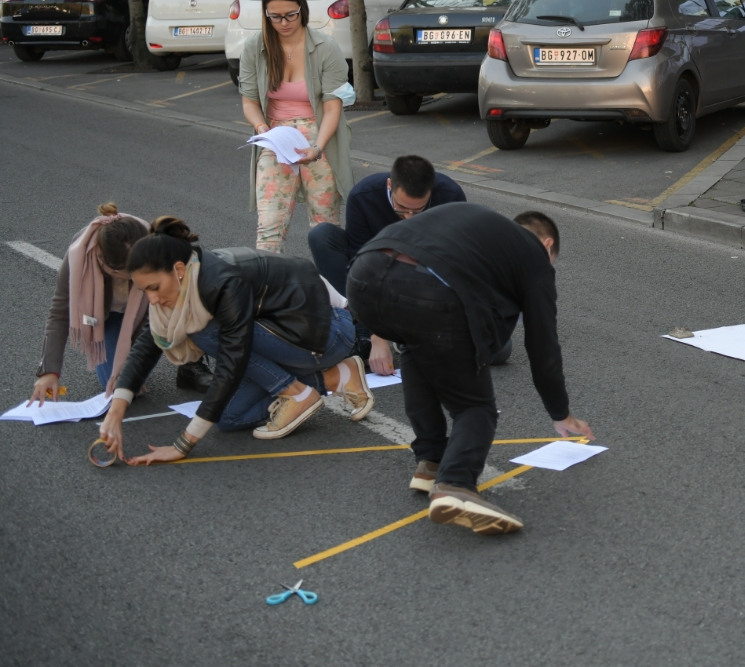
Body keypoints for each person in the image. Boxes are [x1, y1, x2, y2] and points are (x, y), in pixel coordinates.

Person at [346, 204, 591, 535]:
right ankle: (455, 483)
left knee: (416, 349)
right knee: (475, 406)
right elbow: (542, 344)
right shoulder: (533, 255)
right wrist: (561, 412)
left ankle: (431, 461)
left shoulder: (476, 231)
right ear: (547, 244)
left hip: (363, 277)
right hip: (424, 287)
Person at [97, 217, 377, 462]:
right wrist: (116, 412)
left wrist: (183, 445)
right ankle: (337, 377)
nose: (152, 299)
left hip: (328, 332)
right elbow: (148, 343)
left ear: (179, 269)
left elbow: (233, 360)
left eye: (154, 288)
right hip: (285, 335)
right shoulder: (187, 281)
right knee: (230, 418)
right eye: (144, 291)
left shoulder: (222, 282)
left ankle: (297, 393)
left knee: (203, 331)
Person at [307, 154, 486, 370]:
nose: (409, 217)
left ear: (431, 190)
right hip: (379, 269)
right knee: (322, 235)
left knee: (496, 352)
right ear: (390, 185)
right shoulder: (363, 196)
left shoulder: (450, 195)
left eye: (418, 209)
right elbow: (360, 266)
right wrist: (376, 335)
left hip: (424, 279)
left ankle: (412, 331)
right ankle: (361, 333)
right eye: (402, 208)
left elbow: (456, 263)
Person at [239, 0, 354, 253]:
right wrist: (260, 126)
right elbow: (250, 101)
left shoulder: (325, 47)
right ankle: (269, 290)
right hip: (275, 135)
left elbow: (332, 106)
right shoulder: (256, 47)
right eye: (275, 16)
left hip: (319, 135)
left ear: (302, 8)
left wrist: (317, 147)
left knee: (325, 224)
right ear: (266, 15)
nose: (284, 22)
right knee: (269, 225)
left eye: (291, 14)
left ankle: (333, 291)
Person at [26, 205, 158, 405]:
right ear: (107, 265)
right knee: (119, 386)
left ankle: (193, 366)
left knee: (186, 325)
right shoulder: (78, 256)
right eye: (130, 273)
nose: (137, 277)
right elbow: (59, 312)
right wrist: (48, 371)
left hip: (152, 311)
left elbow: (169, 304)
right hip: (106, 318)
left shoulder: (154, 245)